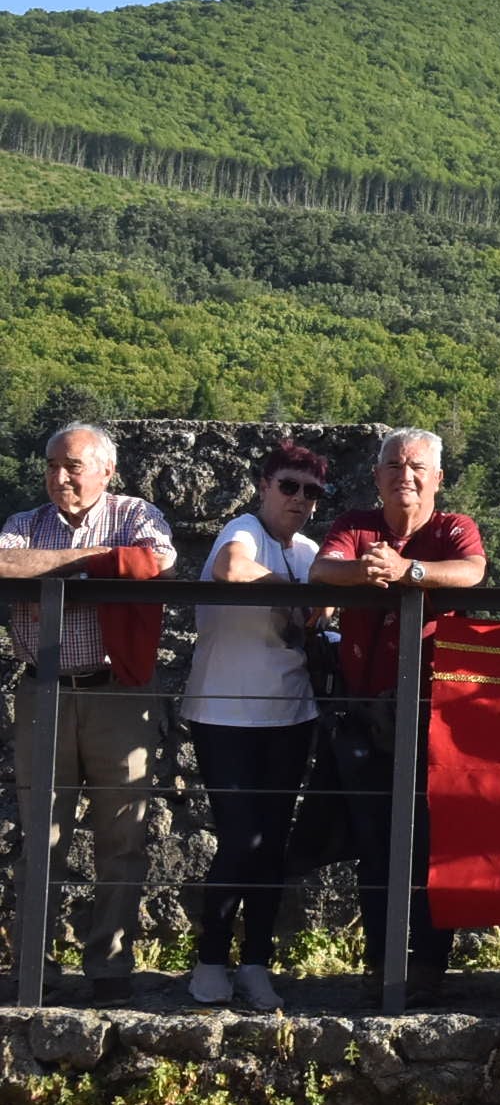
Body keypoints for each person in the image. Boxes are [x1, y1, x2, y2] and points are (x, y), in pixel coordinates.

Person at [1, 422, 179, 998]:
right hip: (42, 690)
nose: (59, 477)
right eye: (52, 464)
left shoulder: (136, 515)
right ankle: (34, 968)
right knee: (40, 837)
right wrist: (97, 562)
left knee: (122, 837)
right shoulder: (23, 523)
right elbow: (3, 565)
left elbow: (158, 560)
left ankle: (110, 968)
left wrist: (55, 565)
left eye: (73, 465)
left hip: (117, 694)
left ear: (107, 469)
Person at [312, 427, 489, 999]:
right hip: (365, 714)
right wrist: (368, 572)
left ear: (438, 478)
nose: (404, 476)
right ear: (376, 475)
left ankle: (431, 969)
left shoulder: (453, 527)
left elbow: (471, 572)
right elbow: (322, 570)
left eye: (416, 467)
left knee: (436, 847)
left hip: (438, 718)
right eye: (393, 465)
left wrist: (407, 573)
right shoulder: (354, 524)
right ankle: (381, 967)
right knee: (375, 846)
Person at [185, 441, 333, 1013]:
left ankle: (255, 965)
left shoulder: (309, 548)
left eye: (311, 492)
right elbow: (230, 569)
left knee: (270, 845)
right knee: (240, 840)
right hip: (226, 713)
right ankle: (211, 961)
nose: (299, 500)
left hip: (289, 714)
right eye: (289, 486)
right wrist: (298, 594)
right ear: (264, 486)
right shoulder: (241, 529)